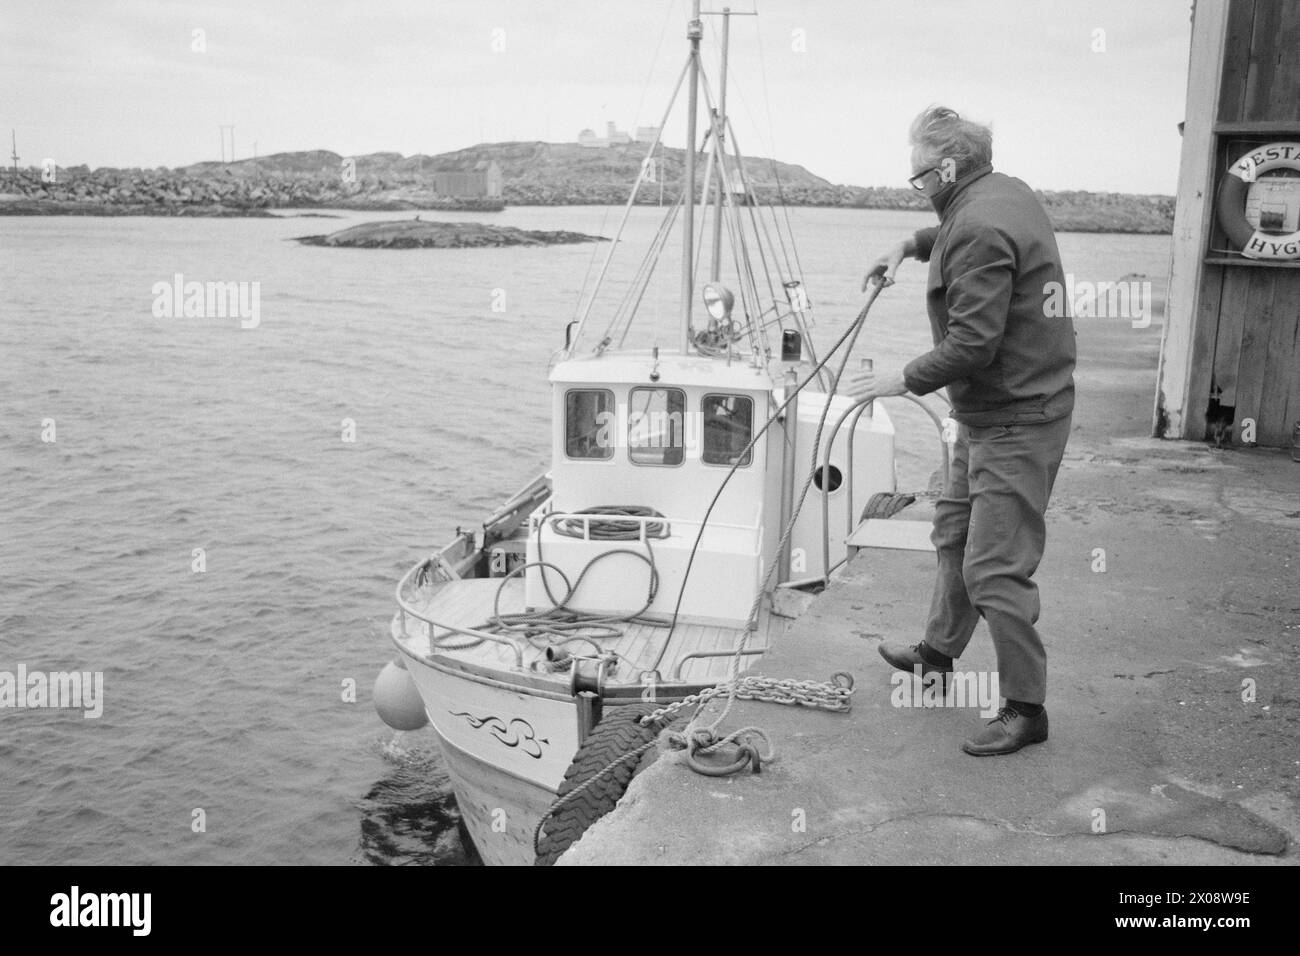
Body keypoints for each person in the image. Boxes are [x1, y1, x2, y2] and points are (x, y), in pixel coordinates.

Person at [845, 105, 1077, 756]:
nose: (920, 189)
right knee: (952, 529)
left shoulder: (978, 223)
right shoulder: (1001, 192)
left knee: (996, 568)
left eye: (920, 179)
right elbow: (953, 231)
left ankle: (1026, 709)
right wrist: (907, 245)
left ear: (947, 167)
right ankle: (937, 655)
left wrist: (901, 378)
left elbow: (974, 343)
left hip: (1015, 417)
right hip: (986, 412)